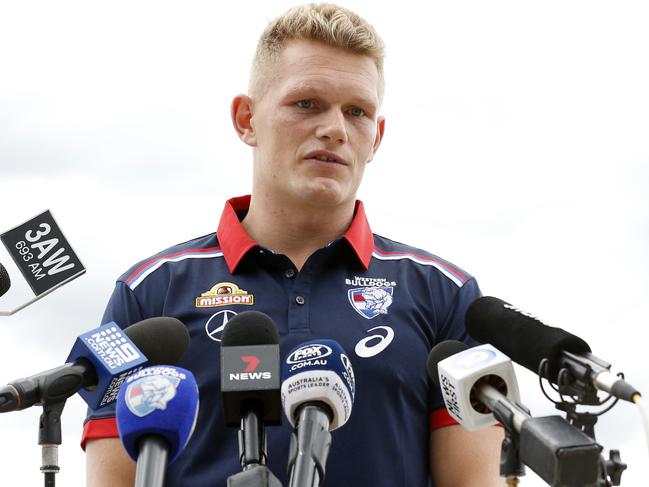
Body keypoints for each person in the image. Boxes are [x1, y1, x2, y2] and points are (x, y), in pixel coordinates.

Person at [84, 3, 504, 486]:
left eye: (357, 112)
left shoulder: (446, 294)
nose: (334, 129)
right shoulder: (148, 291)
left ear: (377, 137)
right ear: (246, 119)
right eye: (307, 103)